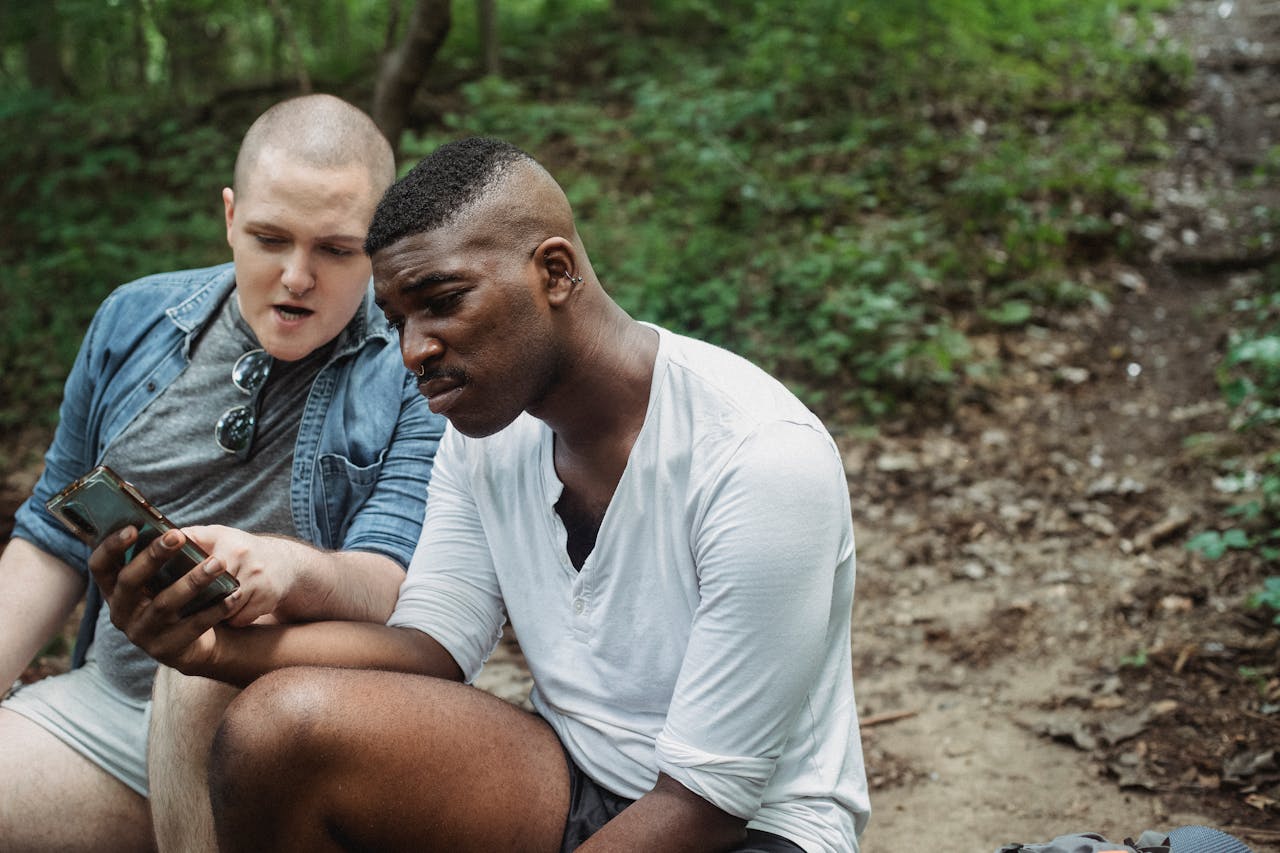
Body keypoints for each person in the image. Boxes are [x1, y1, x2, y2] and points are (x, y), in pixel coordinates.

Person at [91, 136, 870, 852]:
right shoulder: (483, 434)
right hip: (568, 772)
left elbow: (709, 799)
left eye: (443, 301)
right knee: (275, 727)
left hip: (750, 826)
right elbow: (431, 645)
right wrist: (213, 650)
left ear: (555, 272)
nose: (414, 350)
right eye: (396, 319)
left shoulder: (758, 457)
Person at [0, 94, 445, 852]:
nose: (296, 276)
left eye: (336, 250)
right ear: (230, 216)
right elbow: (51, 538)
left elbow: (391, 584)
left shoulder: (418, 365)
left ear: (379, 244)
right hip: (108, 712)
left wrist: (286, 570)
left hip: (289, 727)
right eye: (270, 238)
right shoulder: (132, 319)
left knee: (203, 671)